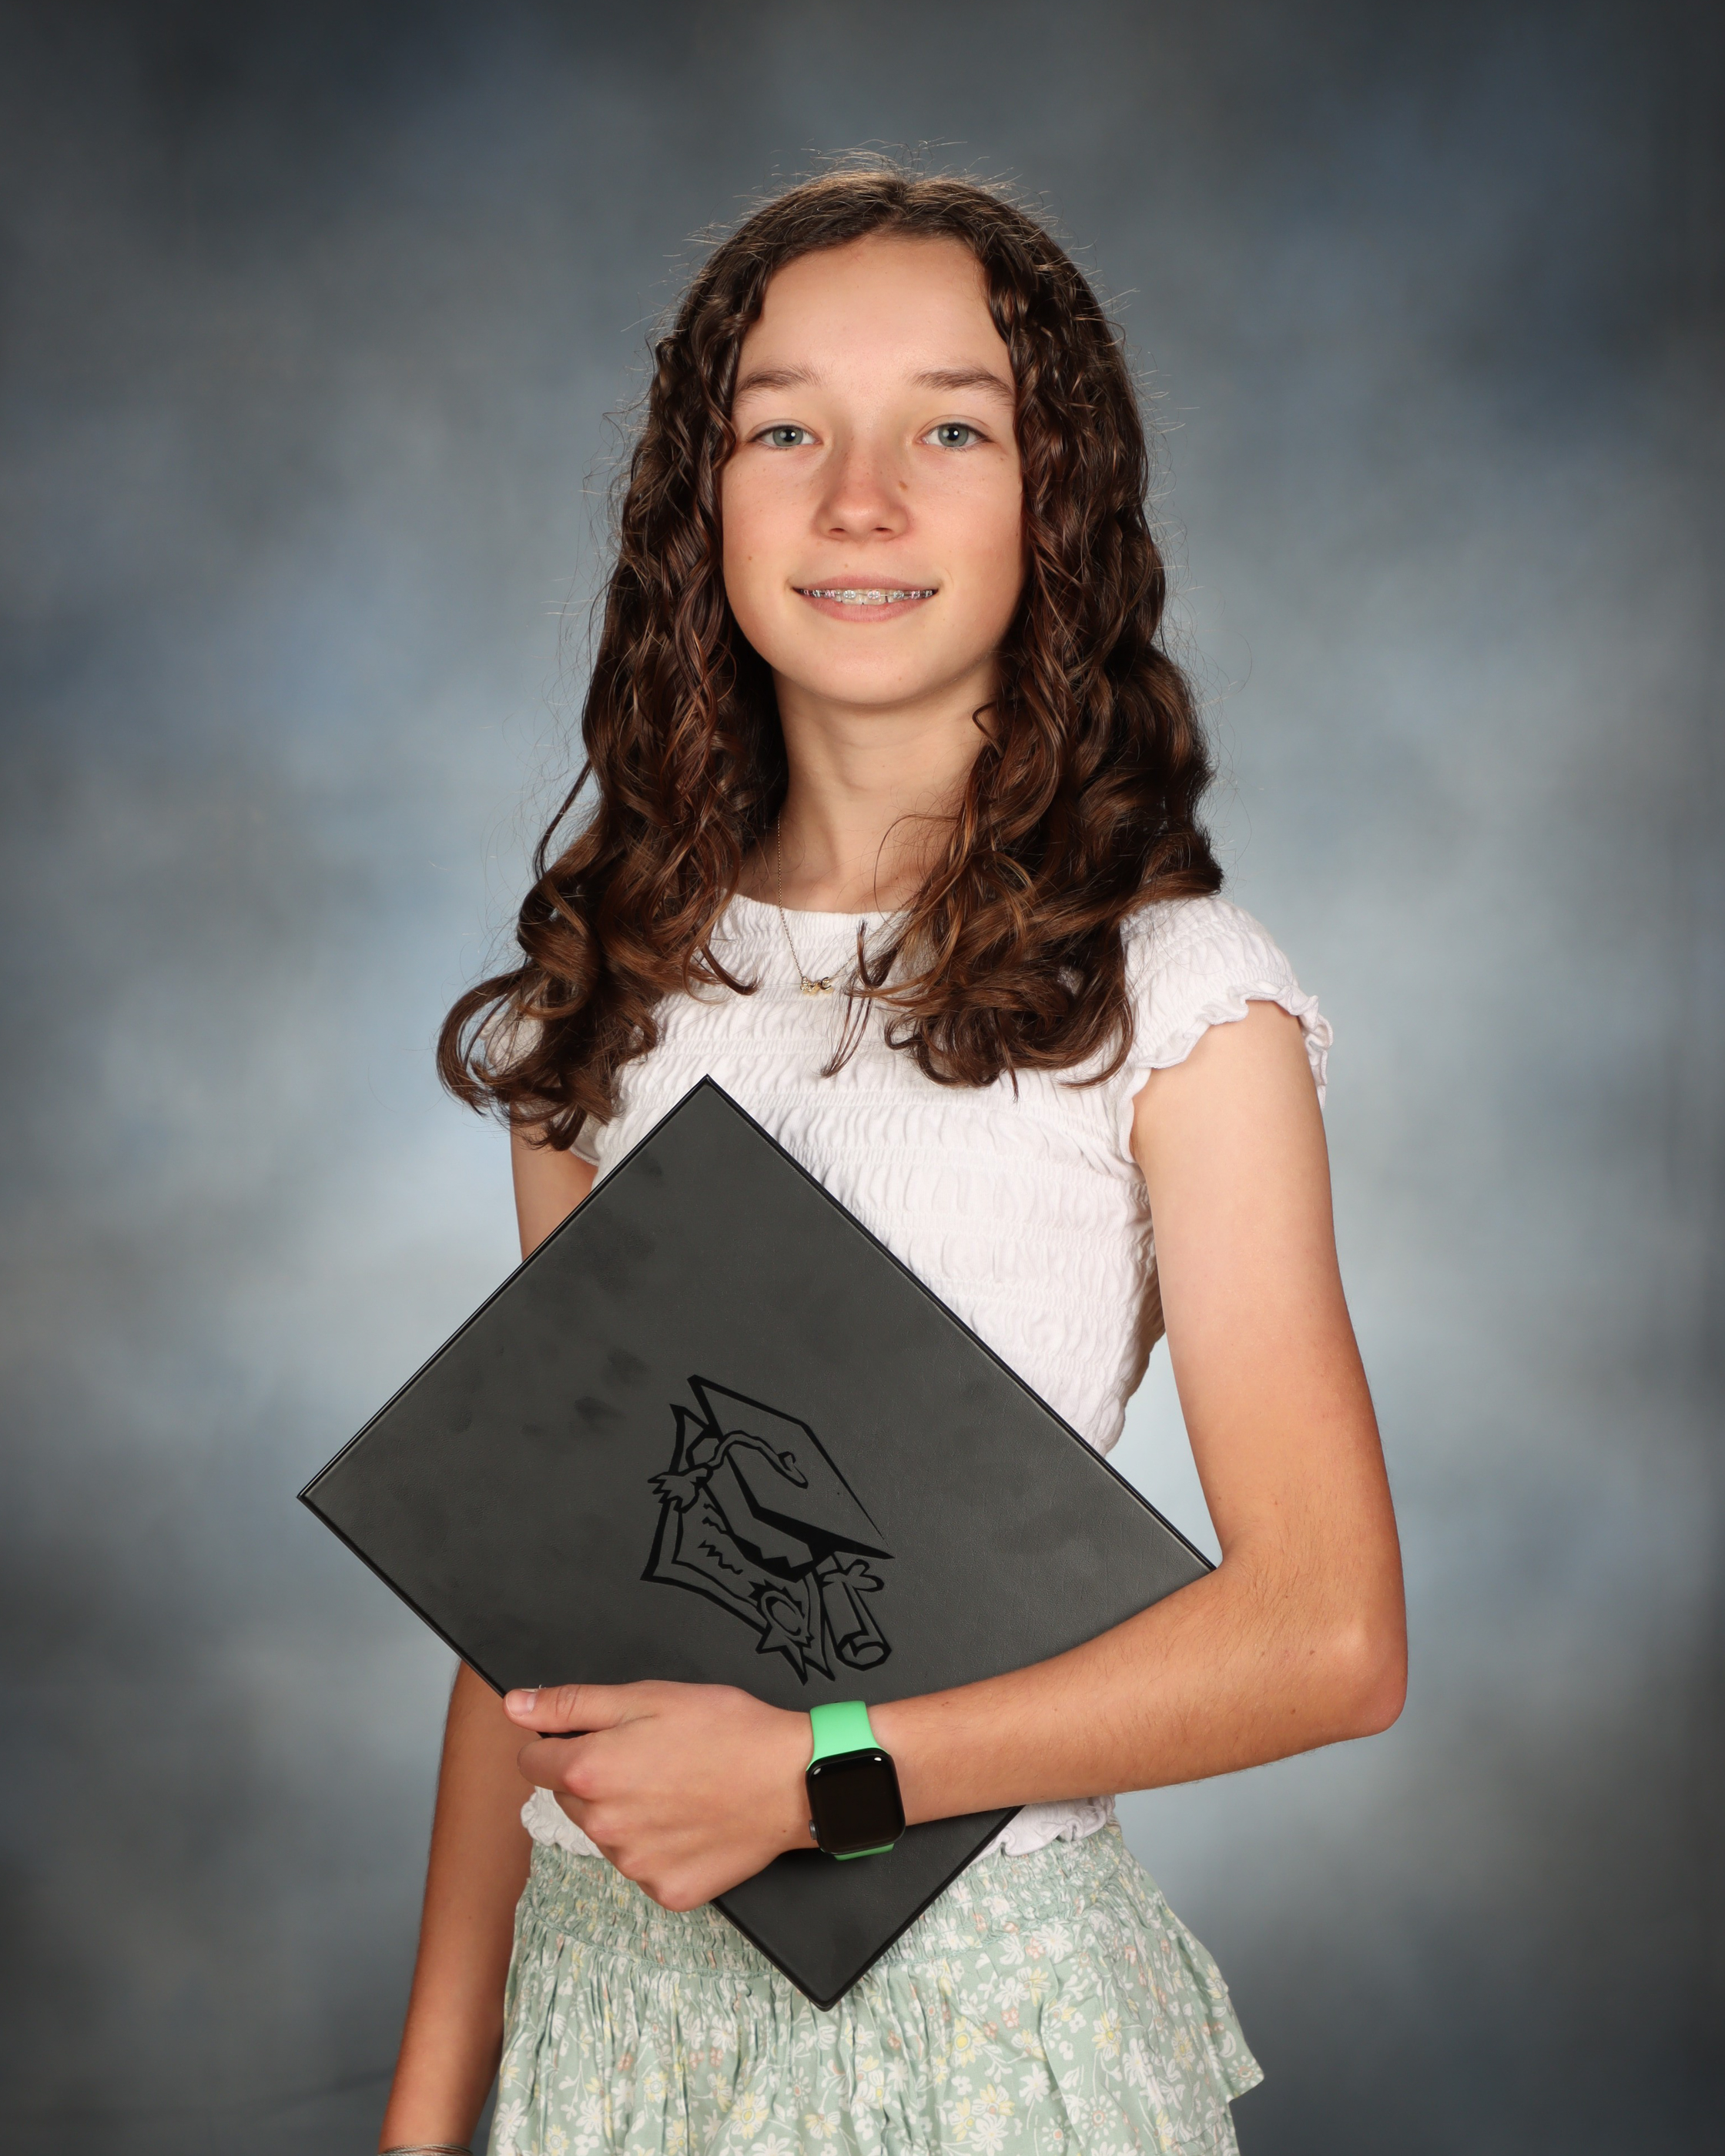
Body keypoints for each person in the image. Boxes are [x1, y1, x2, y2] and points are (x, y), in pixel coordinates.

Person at [377, 166, 1405, 2156]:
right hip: (609, 2033)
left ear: (1057, 508)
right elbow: (537, 1620)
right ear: (702, 506)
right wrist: (427, 2123)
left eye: (951, 430)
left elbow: (1331, 1638)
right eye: (786, 432)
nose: (861, 500)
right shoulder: (613, 987)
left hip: (979, 2030)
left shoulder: (1180, 996)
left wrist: (821, 1776)